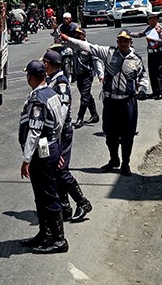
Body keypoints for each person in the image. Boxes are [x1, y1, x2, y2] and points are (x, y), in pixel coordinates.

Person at [60, 29, 148, 176]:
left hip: (128, 102)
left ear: (130, 43)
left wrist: (143, 89)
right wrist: (68, 39)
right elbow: (87, 46)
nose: (123, 43)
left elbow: (143, 76)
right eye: (120, 40)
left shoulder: (136, 59)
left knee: (128, 135)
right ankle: (114, 160)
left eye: (126, 40)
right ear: (117, 42)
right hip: (110, 101)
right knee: (110, 133)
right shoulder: (108, 53)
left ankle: (125, 164)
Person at [18, 60, 69, 253]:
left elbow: (34, 130)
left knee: (48, 194)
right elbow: (60, 121)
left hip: (42, 152)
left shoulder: (38, 99)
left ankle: (59, 240)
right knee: (41, 195)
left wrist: (26, 159)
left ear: (31, 77)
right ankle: (45, 234)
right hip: (51, 147)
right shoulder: (52, 94)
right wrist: (56, 147)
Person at [43, 49, 93, 223]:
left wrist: (55, 138)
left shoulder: (61, 83)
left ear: (48, 64)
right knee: (55, 170)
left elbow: (62, 113)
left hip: (61, 132)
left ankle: (82, 202)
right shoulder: (52, 80)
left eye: (44, 63)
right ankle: (65, 207)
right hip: (56, 133)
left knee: (61, 169)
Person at [129, 12, 162, 100]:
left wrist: (154, 39)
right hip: (151, 53)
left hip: (158, 53)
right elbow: (140, 34)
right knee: (152, 73)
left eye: (152, 19)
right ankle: (155, 92)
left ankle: (161, 93)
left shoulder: (160, 29)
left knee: (159, 72)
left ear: (155, 19)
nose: (150, 21)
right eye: (149, 19)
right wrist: (129, 34)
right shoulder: (149, 29)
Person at [70, 27, 101, 128]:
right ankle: (94, 115)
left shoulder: (89, 46)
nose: (77, 36)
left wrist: (100, 74)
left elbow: (96, 61)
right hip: (78, 75)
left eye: (79, 34)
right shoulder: (74, 46)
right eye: (76, 34)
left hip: (87, 74)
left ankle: (80, 119)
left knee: (84, 97)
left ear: (84, 35)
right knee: (86, 95)